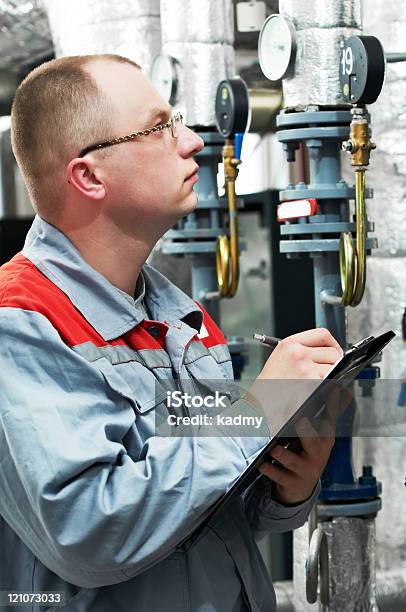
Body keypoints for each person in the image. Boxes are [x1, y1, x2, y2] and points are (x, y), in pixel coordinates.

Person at [0, 54, 343, 612]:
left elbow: (206, 515)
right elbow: (88, 529)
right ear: (88, 176)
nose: (191, 143)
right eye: (159, 127)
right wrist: (255, 413)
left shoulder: (181, 322)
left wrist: (287, 482)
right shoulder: (21, 322)